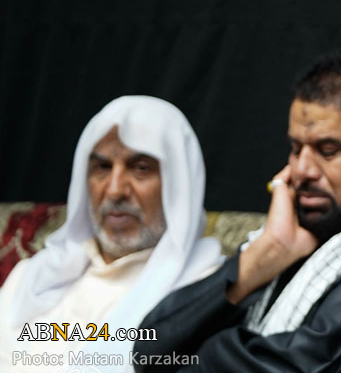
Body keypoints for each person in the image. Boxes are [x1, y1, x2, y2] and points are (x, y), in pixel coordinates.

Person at [133, 49, 341, 372]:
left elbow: (297, 365)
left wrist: (202, 350)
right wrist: (264, 255)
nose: (302, 170)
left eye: (327, 150)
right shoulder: (300, 233)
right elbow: (148, 348)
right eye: (296, 148)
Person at [0, 95, 224, 372]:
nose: (115, 190)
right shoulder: (32, 279)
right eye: (103, 167)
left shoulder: (203, 292)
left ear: (178, 184)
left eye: (140, 169)